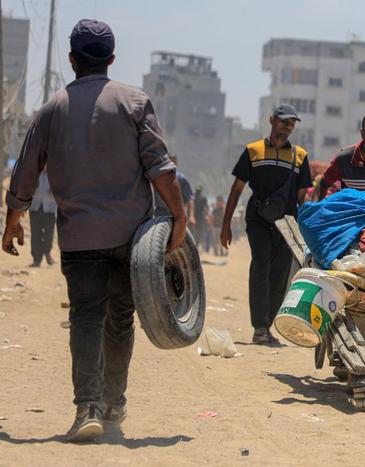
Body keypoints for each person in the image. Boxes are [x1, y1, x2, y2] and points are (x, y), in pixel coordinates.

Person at [1, 19, 186, 442]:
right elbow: (160, 167)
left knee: (86, 318)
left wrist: (13, 221)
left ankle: (87, 407)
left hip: (79, 237)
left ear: (72, 60)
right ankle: (112, 401)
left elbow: (26, 172)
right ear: (112, 60)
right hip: (131, 237)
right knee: (120, 319)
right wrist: (179, 217)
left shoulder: (51, 109)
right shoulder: (135, 102)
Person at [220, 104, 312, 345]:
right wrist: (225, 225)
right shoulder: (253, 151)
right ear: (272, 121)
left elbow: (302, 197)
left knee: (280, 274)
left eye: (291, 123)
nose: (287, 126)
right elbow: (236, 190)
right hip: (257, 219)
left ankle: (267, 325)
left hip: (286, 223)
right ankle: (259, 327)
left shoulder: (300, 156)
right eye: (283, 121)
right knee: (260, 266)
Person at [154, 155, 196, 227]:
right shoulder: (158, 177)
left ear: (176, 164)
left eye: (173, 162)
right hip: (158, 214)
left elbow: (190, 199)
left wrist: (192, 216)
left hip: (176, 214)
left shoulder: (181, 178)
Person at [28, 170, 57, 267]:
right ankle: (36, 259)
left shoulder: (55, 175)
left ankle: (47, 254)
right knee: (35, 234)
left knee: (49, 233)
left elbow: (62, 188)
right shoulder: (33, 174)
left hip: (50, 208)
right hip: (35, 207)